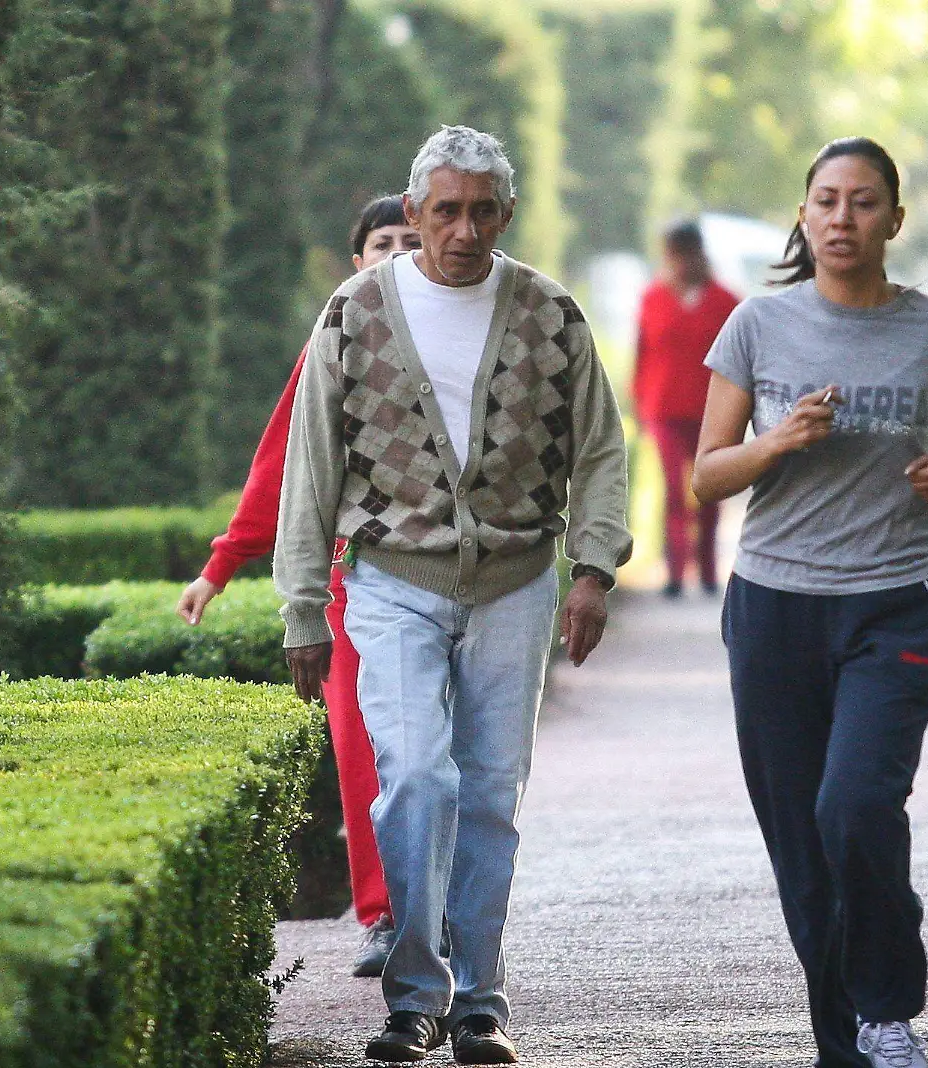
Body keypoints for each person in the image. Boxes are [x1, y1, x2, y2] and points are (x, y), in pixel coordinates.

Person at [275, 125, 631, 1065]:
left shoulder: (549, 313)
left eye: (482, 212)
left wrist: (593, 570)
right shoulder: (354, 314)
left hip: (516, 581)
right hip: (393, 577)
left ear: (504, 215)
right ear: (416, 211)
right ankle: (413, 993)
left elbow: (598, 449)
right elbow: (311, 467)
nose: (464, 230)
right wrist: (303, 606)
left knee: (492, 793)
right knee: (416, 780)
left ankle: (478, 998)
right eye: (445, 211)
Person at [693, 137, 928, 1068]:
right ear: (802, 214)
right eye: (825, 201)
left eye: (863, 203)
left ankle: (888, 1007)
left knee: (856, 806)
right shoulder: (756, 325)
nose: (841, 218)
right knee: (801, 843)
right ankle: (847, 1043)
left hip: (896, 599)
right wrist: (777, 441)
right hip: (776, 607)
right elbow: (706, 477)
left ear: (894, 221)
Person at [175, 194, 418, 978]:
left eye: (412, 240)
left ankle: (449, 913)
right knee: (362, 753)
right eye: (383, 242)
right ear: (358, 260)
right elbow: (282, 461)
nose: (397, 252)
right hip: (355, 579)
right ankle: (384, 918)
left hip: (450, 576)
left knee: (436, 757)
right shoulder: (334, 340)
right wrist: (221, 564)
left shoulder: (467, 336)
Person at [632, 218, 740, 598]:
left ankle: (709, 569)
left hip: (713, 411)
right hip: (664, 408)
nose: (679, 263)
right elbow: (642, 353)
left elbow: (739, 363)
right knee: (674, 489)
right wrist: (639, 405)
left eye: (685, 254)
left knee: (709, 488)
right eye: (672, 256)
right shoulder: (653, 299)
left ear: (699, 254)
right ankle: (676, 571)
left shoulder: (727, 302)